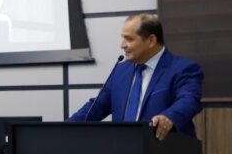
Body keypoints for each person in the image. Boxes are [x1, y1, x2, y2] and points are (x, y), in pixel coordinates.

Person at [68, 13, 202, 140]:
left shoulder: (182, 68)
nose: (122, 45)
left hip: (165, 152)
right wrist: (63, 128)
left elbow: (189, 100)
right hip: (123, 152)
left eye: (129, 39)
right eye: (123, 38)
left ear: (151, 40)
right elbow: (96, 107)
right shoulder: (120, 70)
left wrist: (168, 117)